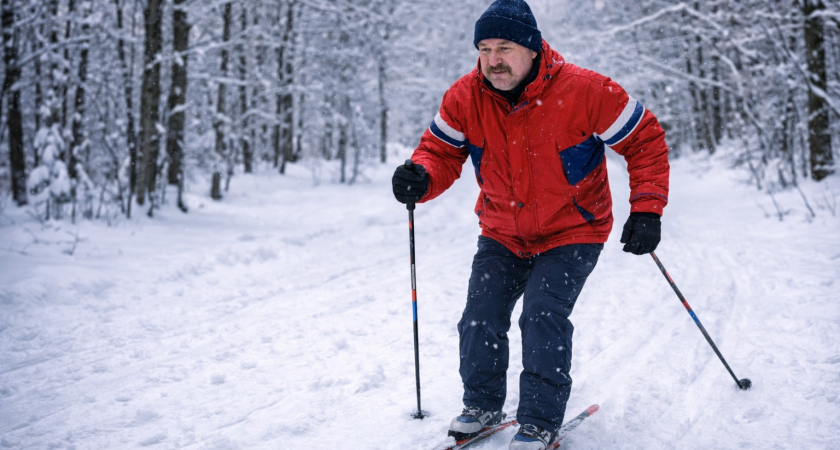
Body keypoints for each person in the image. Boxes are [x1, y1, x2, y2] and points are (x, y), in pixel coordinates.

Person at [391, 0, 670, 448]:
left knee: (542, 314)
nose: (493, 60)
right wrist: (420, 176)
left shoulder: (587, 91)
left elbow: (645, 141)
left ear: (533, 49)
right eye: (484, 49)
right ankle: (482, 404)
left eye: (504, 47)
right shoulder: (465, 96)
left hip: (573, 231)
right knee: (480, 317)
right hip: (502, 230)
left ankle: (539, 419)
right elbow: (439, 152)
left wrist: (647, 209)